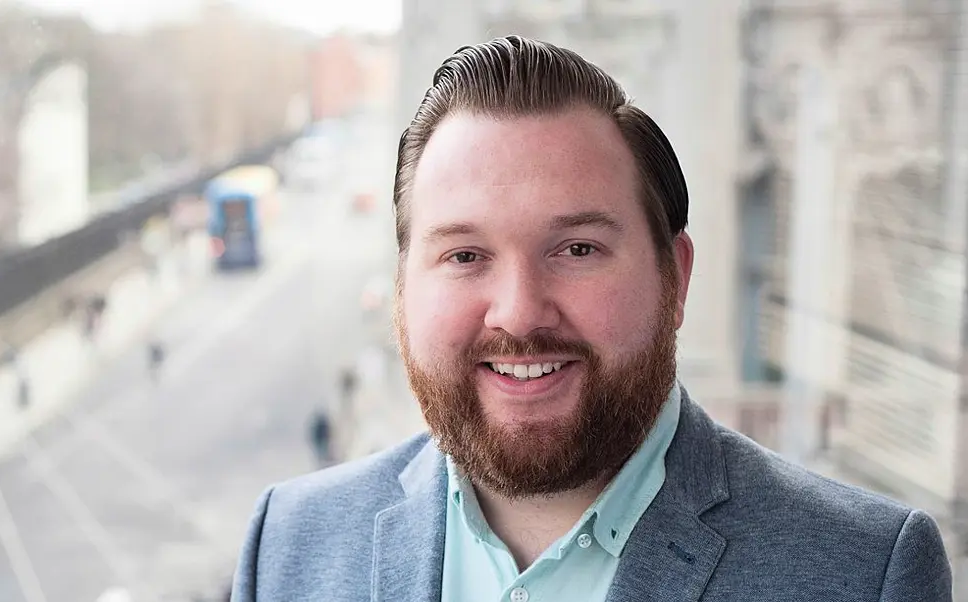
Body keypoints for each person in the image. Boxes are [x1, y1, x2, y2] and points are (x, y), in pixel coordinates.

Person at [232, 36, 951, 602]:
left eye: (577, 249)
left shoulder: (865, 575)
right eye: (464, 255)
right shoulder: (291, 547)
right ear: (401, 289)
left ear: (677, 280)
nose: (518, 311)